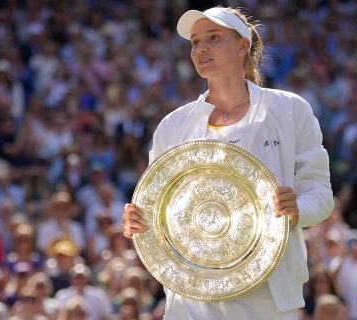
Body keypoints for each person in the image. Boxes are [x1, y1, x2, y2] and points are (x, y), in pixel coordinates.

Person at [121, 6, 333, 320]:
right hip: (191, 299)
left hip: (268, 295)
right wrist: (139, 221)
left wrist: (297, 210)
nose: (200, 48)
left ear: (242, 46)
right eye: (194, 42)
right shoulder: (172, 126)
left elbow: (320, 194)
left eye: (213, 37)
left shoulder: (290, 110)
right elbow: (159, 210)